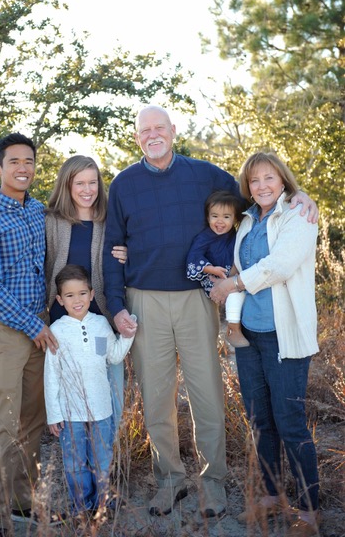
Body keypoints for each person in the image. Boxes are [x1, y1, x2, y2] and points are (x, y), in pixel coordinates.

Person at [102, 104, 318, 519]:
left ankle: (212, 481)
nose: (153, 135)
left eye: (159, 127)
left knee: (206, 392)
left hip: (196, 299)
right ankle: (169, 479)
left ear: (173, 130)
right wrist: (115, 306)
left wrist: (299, 195)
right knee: (156, 396)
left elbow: (259, 196)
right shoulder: (124, 184)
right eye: (145, 130)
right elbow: (113, 249)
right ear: (136, 137)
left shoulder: (205, 175)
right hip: (143, 299)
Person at [210, 152, 320, 537]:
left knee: (290, 422)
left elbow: (281, 265)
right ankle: (273, 497)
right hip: (249, 336)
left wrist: (233, 284)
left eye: (269, 178)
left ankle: (309, 511)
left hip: (283, 335)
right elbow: (237, 258)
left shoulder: (297, 214)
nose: (262, 186)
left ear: (283, 179)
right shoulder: (246, 221)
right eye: (254, 180)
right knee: (260, 420)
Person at [0, 133, 61, 537]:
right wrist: (33, 325)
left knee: (33, 420)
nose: (23, 168)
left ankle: (22, 501)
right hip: (6, 330)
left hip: (39, 327)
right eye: (14, 161)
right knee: (3, 424)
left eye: (29, 161)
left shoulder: (38, 211)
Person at [45, 155, 129, 434]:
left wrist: (128, 254)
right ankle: (75, 450)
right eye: (79, 183)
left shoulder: (109, 222)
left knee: (109, 384)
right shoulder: (52, 222)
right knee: (69, 391)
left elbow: (128, 254)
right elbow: (42, 266)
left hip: (101, 321)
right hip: (64, 323)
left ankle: (107, 451)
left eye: (93, 182)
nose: (87, 189)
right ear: (67, 185)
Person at [44, 264, 137, 516]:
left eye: (82, 293)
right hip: (70, 413)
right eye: (70, 295)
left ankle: (103, 502)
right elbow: (51, 376)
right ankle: (81, 506)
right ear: (60, 300)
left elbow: (113, 357)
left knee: (102, 458)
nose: (77, 300)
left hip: (101, 409)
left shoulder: (101, 324)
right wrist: (54, 414)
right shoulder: (57, 331)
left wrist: (127, 335)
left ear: (92, 294)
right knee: (75, 463)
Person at [186, 190, 249, 348]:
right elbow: (193, 256)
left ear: (235, 219)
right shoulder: (204, 237)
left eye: (226, 217)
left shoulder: (235, 234)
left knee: (245, 290)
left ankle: (241, 326)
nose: (220, 221)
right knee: (236, 293)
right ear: (208, 218)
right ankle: (233, 329)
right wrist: (211, 269)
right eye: (215, 216)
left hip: (231, 276)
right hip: (212, 279)